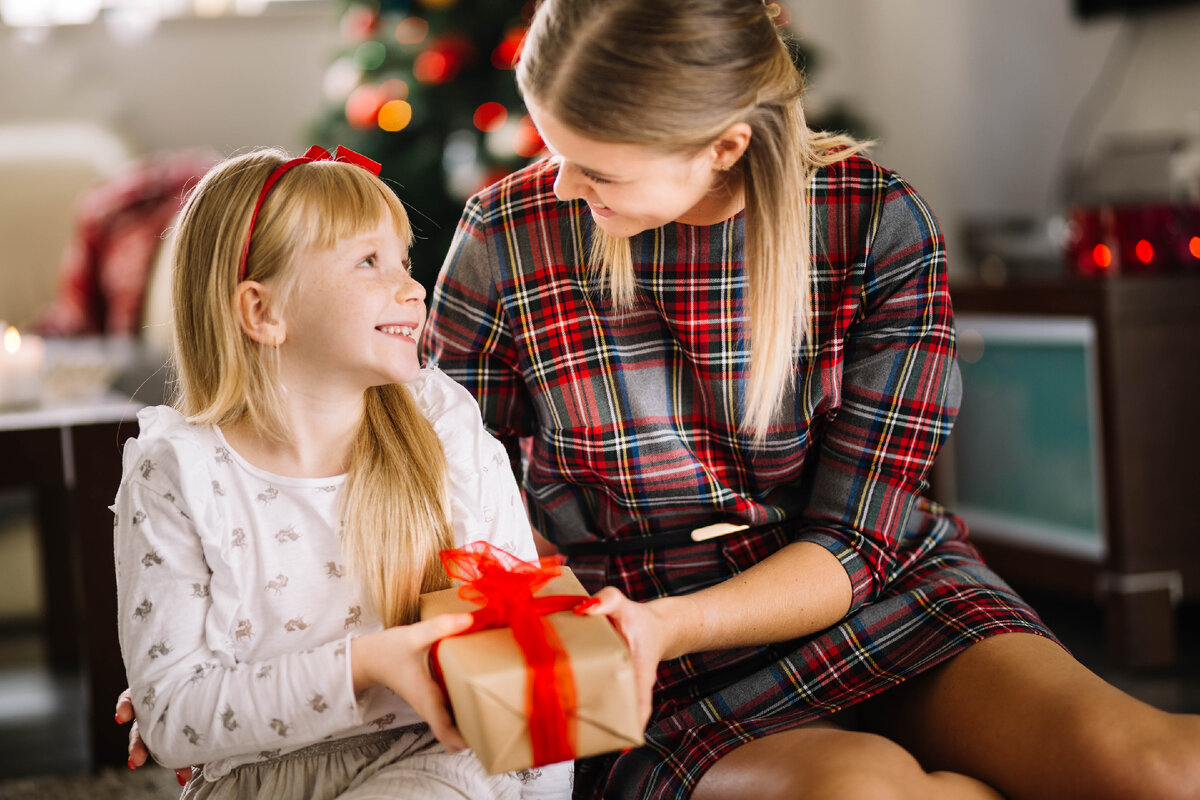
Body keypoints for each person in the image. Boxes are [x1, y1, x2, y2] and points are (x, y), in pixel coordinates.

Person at [416, 1, 1200, 799]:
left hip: (873, 592)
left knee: (1161, 772)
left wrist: (670, 625)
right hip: (643, 647)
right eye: (553, 148)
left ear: (725, 146)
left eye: (598, 168)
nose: (559, 182)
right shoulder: (506, 234)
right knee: (859, 790)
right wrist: (588, 635)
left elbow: (857, 542)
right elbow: (443, 495)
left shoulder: (877, 222)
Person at [111, 145, 571, 800]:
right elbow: (172, 719)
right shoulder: (178, 474)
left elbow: (528, 667)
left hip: (438, 761)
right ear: (263, 312)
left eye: (404, 261)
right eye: (368, 262)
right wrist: (368, 663)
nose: (413, 288)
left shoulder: (444, 431)